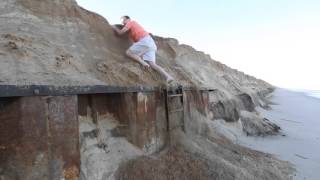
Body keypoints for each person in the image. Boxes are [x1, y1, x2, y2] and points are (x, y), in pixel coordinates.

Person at [112, 15, 174, 83]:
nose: (123, 22)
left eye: (124, 20)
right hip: (150, 43)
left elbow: (120, 33)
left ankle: (144, 63)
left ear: (128, 19)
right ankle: (168, 77)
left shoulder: (131, 22)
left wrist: (114, 27)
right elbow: (139, 47)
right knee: (152, 64)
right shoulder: (132, 30)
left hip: (145, 41)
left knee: (128, 52)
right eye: (122, 22)